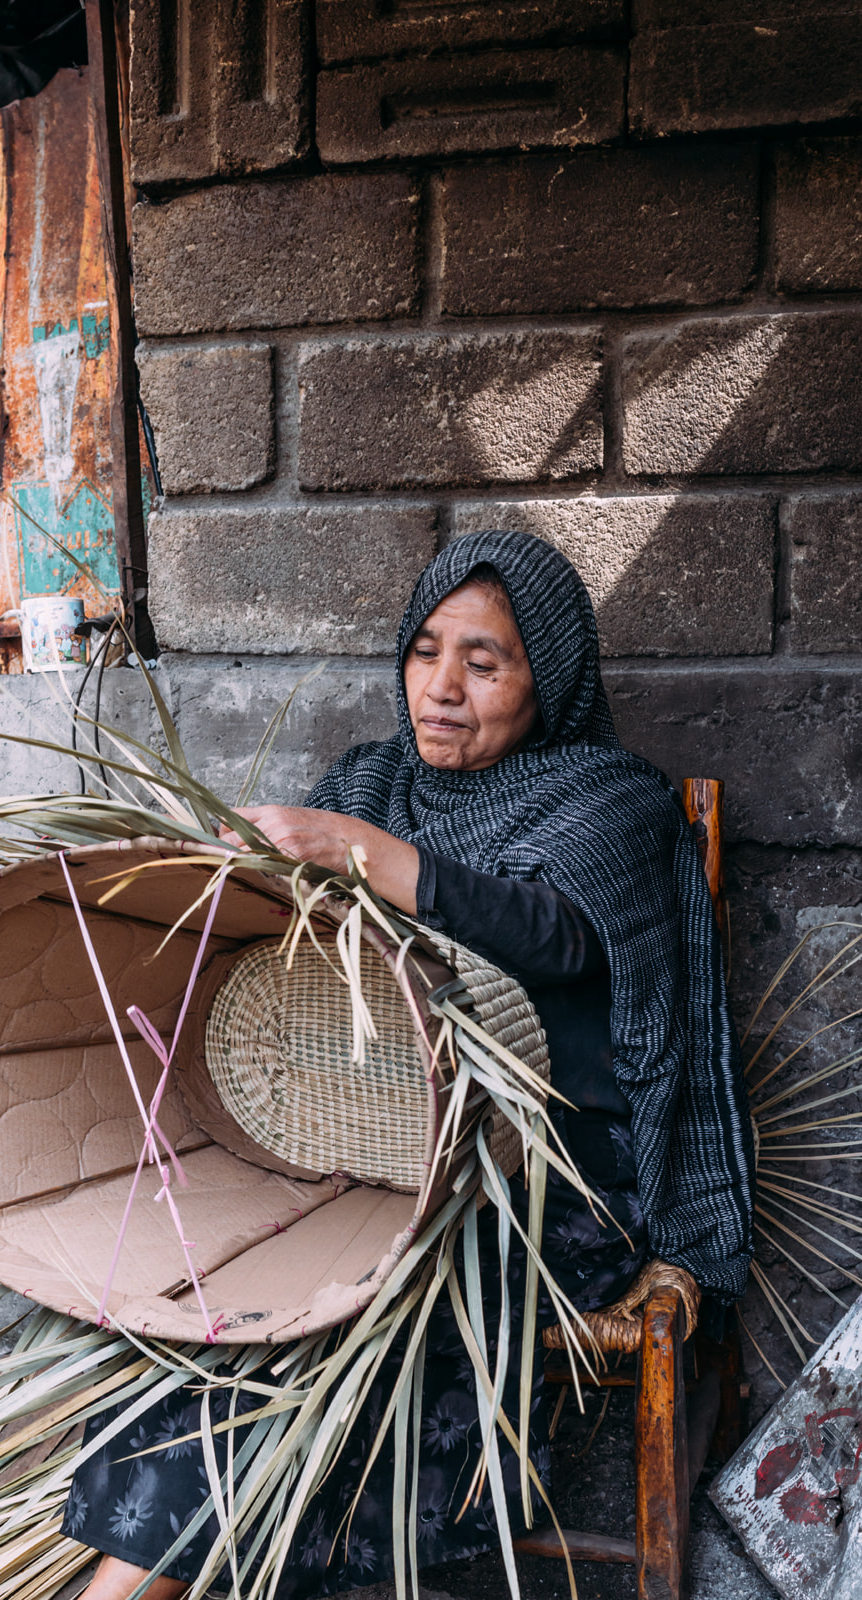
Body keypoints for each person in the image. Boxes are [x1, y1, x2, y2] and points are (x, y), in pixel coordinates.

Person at [64, 530, 755, 1600]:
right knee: (240, 1322)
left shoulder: (605, 797)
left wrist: (365, 857)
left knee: (354, 1339)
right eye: (424, 651)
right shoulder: (370, 779)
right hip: (372, 1157)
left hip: (549, 1186)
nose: (439, 688)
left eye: (483, 663)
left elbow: (555, 935)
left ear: (546, 683)